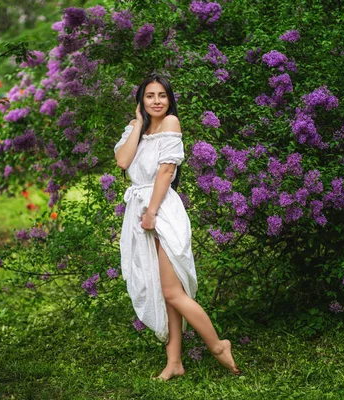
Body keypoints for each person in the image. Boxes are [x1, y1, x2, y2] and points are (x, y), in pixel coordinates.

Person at [114, 73, 240, 381]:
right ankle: (175, 362)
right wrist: (137, 125)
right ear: (140, 101)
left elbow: (166, 171)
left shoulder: (171, 123)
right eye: (149, 96)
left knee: (172, 291)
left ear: (169, 100)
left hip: (161, 211)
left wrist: (152, 213)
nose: (157, 101)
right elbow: (122, 161)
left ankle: (218, 346)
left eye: (162, 96)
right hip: (140, 210)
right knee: (163, 290)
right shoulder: (136, 128)